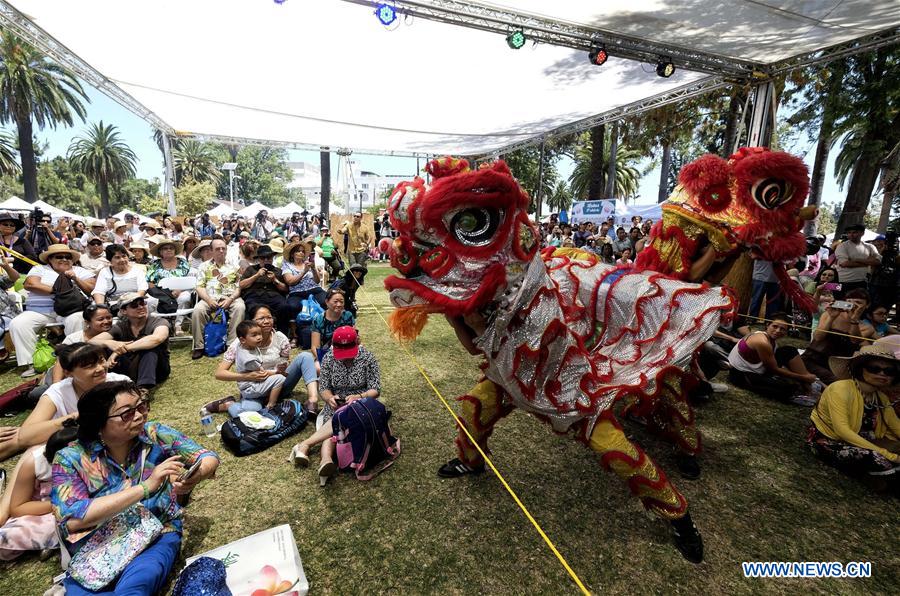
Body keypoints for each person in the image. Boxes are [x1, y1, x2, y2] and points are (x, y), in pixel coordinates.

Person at [52, 380, 219, 595]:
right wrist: (146, 487)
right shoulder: (70, 459)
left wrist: (195, 476)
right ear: (98, 423)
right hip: (96, 548)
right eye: (127, 413)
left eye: (141, 406)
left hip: (156, 535)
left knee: (136, 587)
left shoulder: (154, 434)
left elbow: (207, 457)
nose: (139, 416)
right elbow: (72, 519)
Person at [289, 326, 380, 485]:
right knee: (337, 419)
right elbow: (324, 388)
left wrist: (359, 396)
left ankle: (306, 446)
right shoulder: (329, 358)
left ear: (357, 342)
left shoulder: (368, 358)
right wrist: (330, 398)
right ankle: (326, 461)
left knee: (339, 419)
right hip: (337, 404)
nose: (345, 358)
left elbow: (375, 389)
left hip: (362, 403)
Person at [807, 345, 900, 485]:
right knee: (876, 458)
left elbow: (896, 426)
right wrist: (888, 455)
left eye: (889, 371)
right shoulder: (840, 389)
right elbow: (843, 431)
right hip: (832, 443)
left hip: (868, 443)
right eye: (874, 368)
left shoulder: (880, 397)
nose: (882, 374)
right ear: (860, 368)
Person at [9, 244, 96, 377]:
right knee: (18, 323)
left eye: (68, 257)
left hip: (70, 310)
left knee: (77, 319)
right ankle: (33, 363)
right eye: (59, 256)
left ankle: (76, 359)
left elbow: (91, 289)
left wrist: (75, 279)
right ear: (50, 259)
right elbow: (30, 284)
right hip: (39, 311)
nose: (64, 259)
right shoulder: (39, 269)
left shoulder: (80, 271)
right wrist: (60, 289)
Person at [212, 305, 320, 412]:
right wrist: (246, 376)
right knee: (251, 412)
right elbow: (219, 373)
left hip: (278, 384)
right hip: (256, 389)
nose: (267, 321)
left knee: (305, 356)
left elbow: (285, 362)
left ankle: (312, 401)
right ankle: (228, 404)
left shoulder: (280, 338)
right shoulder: (240, 343)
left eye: (269, 317)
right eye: (261, 318)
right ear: (251, 322)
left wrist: (282, 367)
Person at [0, 425, 78, 560]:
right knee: (8, 535)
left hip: (80, 508)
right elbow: (18, 508)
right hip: (44, 511)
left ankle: (56, 540)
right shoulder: (34, 463)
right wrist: (60, 504)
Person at [727, 313, 818, 404]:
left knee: (789, 351)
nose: (778, 331)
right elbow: (774, 369)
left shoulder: (771, 341)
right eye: (775, 326)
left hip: (757, 370)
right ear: (767, 325)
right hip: (741, 374)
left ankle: (809, 386)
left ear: (786, 332)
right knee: (786, 389)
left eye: (782, 329)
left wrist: (804, 377)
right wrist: (803, 377)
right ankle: (806, 384)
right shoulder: (762, 342)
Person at [91, 293, 171, 390]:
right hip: (132, 367)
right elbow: (92, 342)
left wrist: (119, 351)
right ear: (123, 311)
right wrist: (109, 343)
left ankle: (143, 389)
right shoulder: (121, 326)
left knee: (150, 348)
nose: (141, 307)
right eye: (134, 305)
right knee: (107, 346)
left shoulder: (159, 322)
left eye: (142, 303)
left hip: (157, 369)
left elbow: (157, 339)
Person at [210, 320, 286, 417]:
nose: (259, 337)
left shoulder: (245, 345)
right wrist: (277, 372)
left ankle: (261, 401)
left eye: (259, 334)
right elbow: (262, 374)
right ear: (242, 340)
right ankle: (271, 405)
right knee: (280, 378)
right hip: (251, 388)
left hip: (251, 384)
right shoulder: (249, 359)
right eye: (254, 335)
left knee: (255, 410)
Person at [801, 288, 869, 385]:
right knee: (837, 383)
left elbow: (855, 340)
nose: (853, 305)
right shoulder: (829, 314)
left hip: (835, 367)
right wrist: (831, 317)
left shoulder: (866, 327)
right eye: (849, 301)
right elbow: (818, 337)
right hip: (813, 359)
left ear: (867, 305)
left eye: (858, 302)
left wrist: (854, 320)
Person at [191, 239, 244, 360]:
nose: (221, 251)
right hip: (209, 297)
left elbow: (239, 287)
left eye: (223, 248)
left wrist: (230, 299)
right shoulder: (204, 266)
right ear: (211, 251)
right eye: (217, 249)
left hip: (230, 297)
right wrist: (208, 300)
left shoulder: (235, 266)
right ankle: (199, 346)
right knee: (198, 310)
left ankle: (232, 345)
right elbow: (199, 287)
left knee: (240, 307)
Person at [239, 244, 291, 335]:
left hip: (274, 297)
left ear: (272, 258)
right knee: (252, 308)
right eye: (263, 258)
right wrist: (256, 275)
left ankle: (282, 335)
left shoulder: (278, 271)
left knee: (284, 306)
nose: (266, 260)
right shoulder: (251, 269)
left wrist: (275, 280)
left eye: (269, 257)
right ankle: (251, 334)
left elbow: (285, 289)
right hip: (254, 296)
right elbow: (242, 285)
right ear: (259, 259)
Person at [282, 241, 326, 342]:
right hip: (297, 292)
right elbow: (290, 281)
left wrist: (313, 269)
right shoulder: (287, 266)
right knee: (292, 306)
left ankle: (325, 329)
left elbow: (317, 281)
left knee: (326, 300)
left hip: (314, 289)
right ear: (292, 254)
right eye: (298, 251)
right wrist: (303, 272)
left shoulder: (307, 264)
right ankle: (295, 335)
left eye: (302, 251)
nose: (301, 253)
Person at [146, 239, 192, 332]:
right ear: (160, 252)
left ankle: (178, 325)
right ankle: (158, 325)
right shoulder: (155, 264)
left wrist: (180, 290)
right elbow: (149, 282)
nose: (169, 250)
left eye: (171, 248)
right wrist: (162, 293)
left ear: (175, 251)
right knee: (150, 301)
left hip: (180, 291)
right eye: (165, 248)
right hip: (160, 293)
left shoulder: (183, 263)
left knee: (185, 298)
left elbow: (190, 280)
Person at [311, 288, 355, 366]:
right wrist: (326, 360)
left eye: (341, 302)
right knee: (317, 368)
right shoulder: (318, 319)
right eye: (335, 301)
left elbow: (355, 339)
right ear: (327, 302)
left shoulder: (348, 316)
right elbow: (315, 347)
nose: (339, 304)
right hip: (326, 354)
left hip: (346, 353)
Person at [834, 223, 880, 293]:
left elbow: (878, 261)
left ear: (862, 233)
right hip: (845, 281)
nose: (851, 235)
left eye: (854, 232)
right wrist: (868, 262)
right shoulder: (842, 246)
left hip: (863, 281)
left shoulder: (870, 246)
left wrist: (857, 260)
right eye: (849, 233)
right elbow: (844, 263)